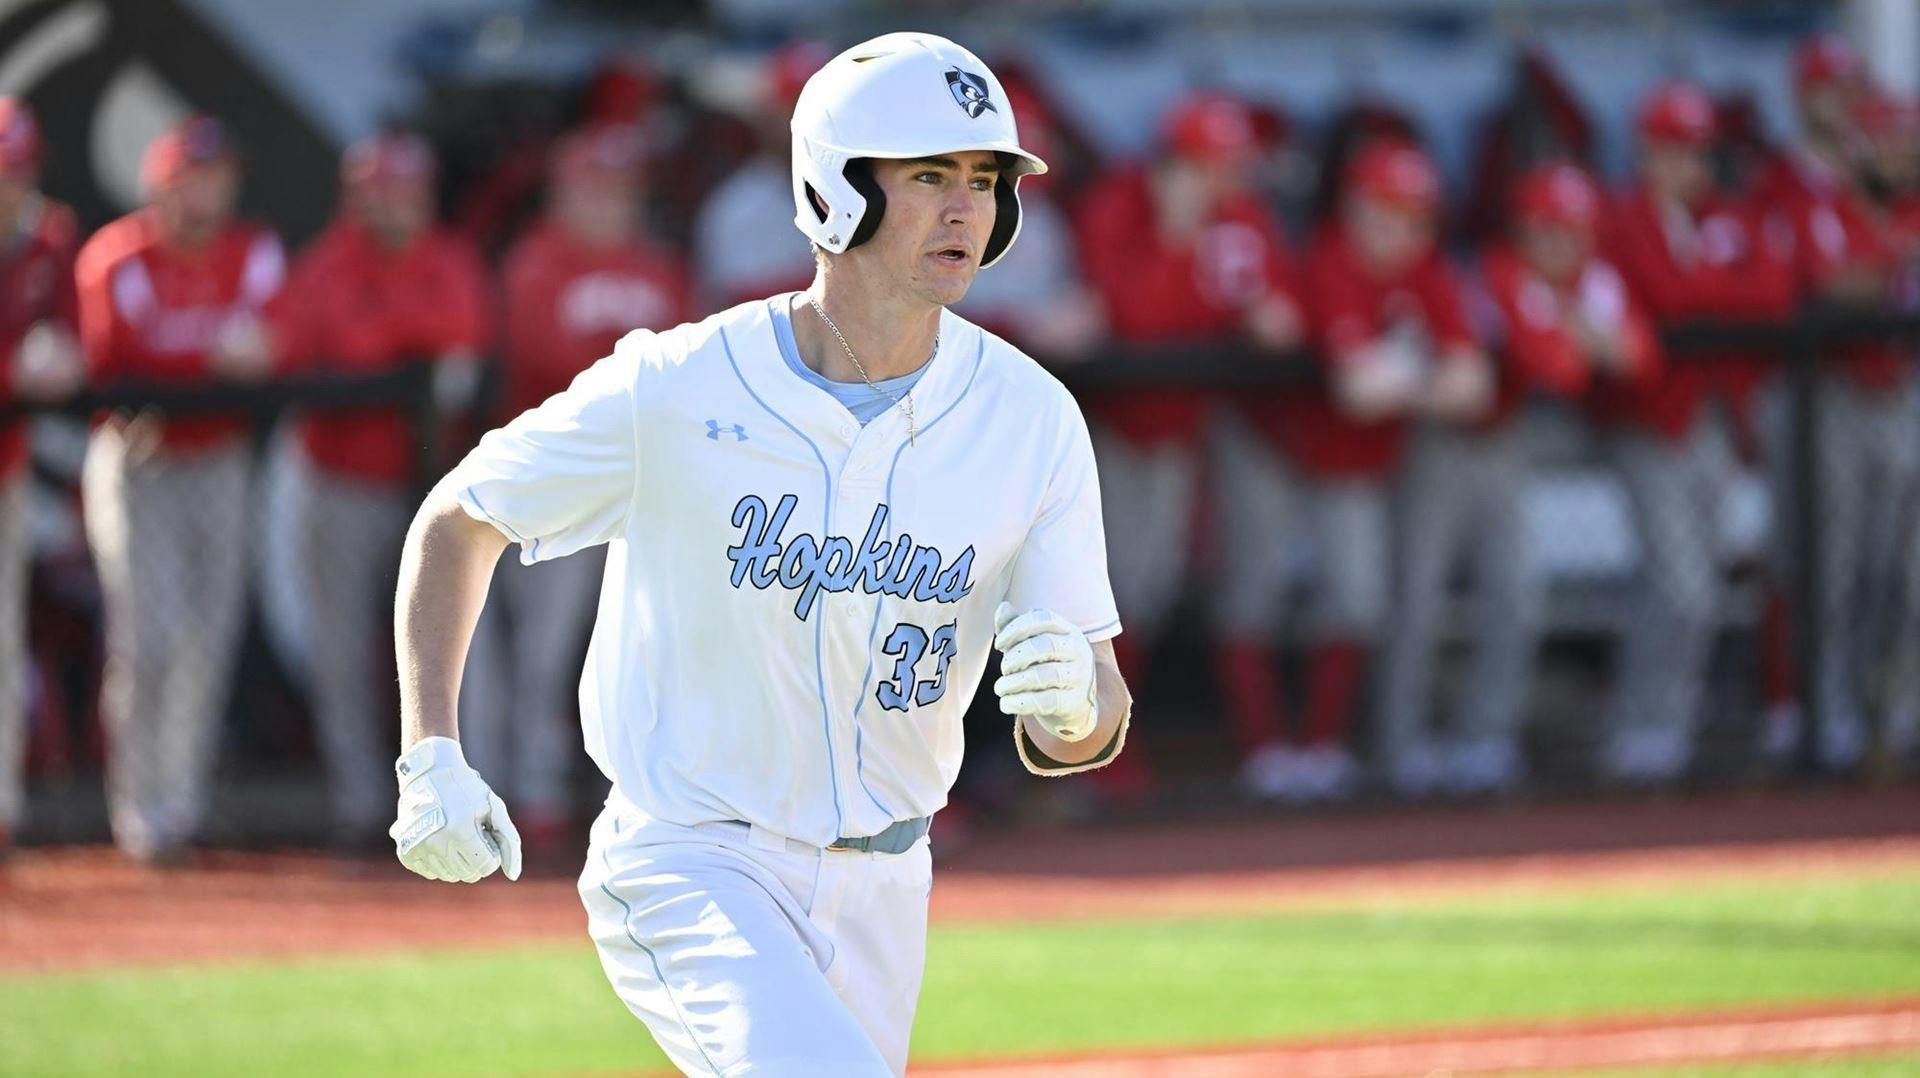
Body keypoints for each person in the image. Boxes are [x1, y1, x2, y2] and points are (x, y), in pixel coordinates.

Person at [388, 33, 1130, 1076]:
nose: (967, 208)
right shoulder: (678, 384)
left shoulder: (1031, 416)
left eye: (985, 180)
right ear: (835, 187)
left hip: (890, 879)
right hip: (694, 858)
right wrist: (431, 751)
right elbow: (461, 518)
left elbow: (1091, 717)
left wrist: (1075, 707)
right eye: (929, 176)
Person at [459, 123, 692, 856]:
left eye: (621, 190)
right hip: (552, 484)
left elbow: (690, 370)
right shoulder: (535, 261)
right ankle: (513, 790)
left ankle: (576, 788)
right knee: (535, 650)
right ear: (564, 193)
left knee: (624, 648)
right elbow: (547, 362)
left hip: (643, 491)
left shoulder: (658, 267)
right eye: (596, 188)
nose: (610, 203)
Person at [1074, 90, 1302, 798]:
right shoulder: (1119, 204)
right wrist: (1174, 234)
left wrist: (1265, 314)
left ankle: (1107, 740)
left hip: (1184, 429)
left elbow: (1282, 316)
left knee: (1150, 588)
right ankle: (1088, 749)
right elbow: (1130, 318)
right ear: (1178, 163)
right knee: (1104, 594)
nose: (1229, 177)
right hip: (1110, 427)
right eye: (1213, 164)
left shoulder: (1241, 216)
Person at [1221, 138, 1458, 802]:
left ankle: (1323, 747)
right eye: (1384, 210)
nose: (1397, 229)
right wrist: (1425, 371)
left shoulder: (1427, 272)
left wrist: (1402, 375)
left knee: (1357, 598)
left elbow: (1473, 381)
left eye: (1412, 216)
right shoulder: (1332, 257)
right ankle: (1265, 752)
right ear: (1354, 208)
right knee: (1253, 593)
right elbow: (1359, 388)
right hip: (1269, 440)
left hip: (1346, 457)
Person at [75, 116, 284, 864]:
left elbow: (276, 341)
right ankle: (140, 813)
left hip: (219, 458)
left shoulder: (252, 249)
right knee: (149, 639)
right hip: (141, 456)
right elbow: (111, 359)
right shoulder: (117, 255)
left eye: (217, 178)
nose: (206, 193)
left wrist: (232, 356)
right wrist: (209, 357)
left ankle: (184, 805)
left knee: (208, 637)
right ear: (160, 186)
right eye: (192, 178)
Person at [275, 132, 490, 852]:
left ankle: (468, 797)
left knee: (453, 646)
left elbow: (461, 335)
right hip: (339, 482)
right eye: (381, 192)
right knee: (340, 653)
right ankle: (360, 807)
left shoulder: (450, 258)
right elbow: (330, 344)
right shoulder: (326, 263)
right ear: (356, 197)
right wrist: (405, 344)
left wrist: (387, 340)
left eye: (407, 191)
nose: (395, 205)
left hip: (439, 492)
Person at [1605, 81, 1796, 782]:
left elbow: (1774, 294)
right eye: (1670, 148)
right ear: (1645, 150)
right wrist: (1717, 290)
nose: (1684, 163)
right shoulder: (1623, 217)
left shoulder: (1727, 216)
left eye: (1693, 149)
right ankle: (1640, 725)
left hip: (1716, 420)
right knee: (1679, 583)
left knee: (1702, 584)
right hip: (1650, 420)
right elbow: (1663, 293)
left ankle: (1667, 725)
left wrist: (1705, 290)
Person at [1754, 34, 1905, 773]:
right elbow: (1817, 284)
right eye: (1828, 89)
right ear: (1802, 94)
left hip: (1890, 385)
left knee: (1890, 561)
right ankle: (1812, 706)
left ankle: (1883, 706)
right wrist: (1888, 263)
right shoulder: (1783, 184)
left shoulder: (1882, 181)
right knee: (1820, 559)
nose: (1841, 103)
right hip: (1818, 392)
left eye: (1850, 89)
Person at [0, 98, 82, 859]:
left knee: (4, 638)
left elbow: (73, 340)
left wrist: (57, 353)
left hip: (8, 468)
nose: (10, 187)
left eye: (18, 172)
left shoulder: (49, 239)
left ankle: (4, 806)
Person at [693, 41, 833, 310]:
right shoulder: (739, 209)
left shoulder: (888, 193)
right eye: (797, 109)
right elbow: (742, 317)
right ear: (771, 116)